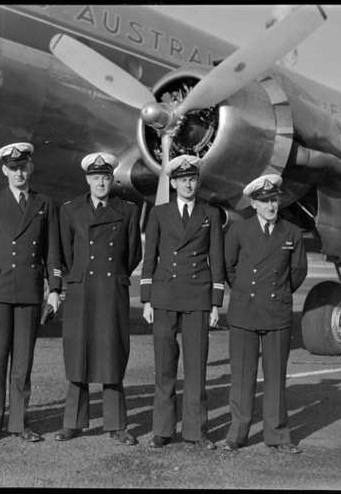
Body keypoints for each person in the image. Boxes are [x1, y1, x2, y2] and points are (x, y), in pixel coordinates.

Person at [55, 152, 142, 445]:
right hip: (82, 289)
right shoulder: (69, 210)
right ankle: (73, 423)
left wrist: (112, 272)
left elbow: (132, 254)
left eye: (105, 177)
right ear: (87, 180)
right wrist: (81, 274)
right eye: (95, 177)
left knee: (112, 354)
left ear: (111, 179)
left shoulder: (128, 210)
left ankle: (117, 425)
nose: (100, 182)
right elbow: (65, 253)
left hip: (111, 289)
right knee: (78, 354)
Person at [0, 142, 62, 444]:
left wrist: (54, 290)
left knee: (23, 364)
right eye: (13, 168)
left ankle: (19, 423)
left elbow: (53, 250)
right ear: (5, 170)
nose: (19, 173)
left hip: (29, 291)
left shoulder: (44, 203)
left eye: (23, 167)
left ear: (31, 168)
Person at [140, 155, 225, 449]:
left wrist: (215, 303)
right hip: (164, 296)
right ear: (173, 183)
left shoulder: (210, 214)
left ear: (197, 182)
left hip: (198, 296)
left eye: (192, 179)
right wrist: (147, 299)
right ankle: (162, 430)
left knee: (196, 368)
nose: (188, 184)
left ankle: (196, 432)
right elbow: (150, 257)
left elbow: (217, 258)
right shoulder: (159, 213)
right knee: (164, 366)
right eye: (182, 180)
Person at [222, 174, 307, 454]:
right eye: (264, 201)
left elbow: (297, 272)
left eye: (274, 200)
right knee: (242, 378)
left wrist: (280, 292)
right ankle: (236, 435)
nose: (271, 206)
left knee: (275, 378)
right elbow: (228, 267)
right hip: (245, 310)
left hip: (277, 311)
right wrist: (245, 291)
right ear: (253, 204)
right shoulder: (238, 231)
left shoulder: (292, 232)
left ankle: (278, 436)